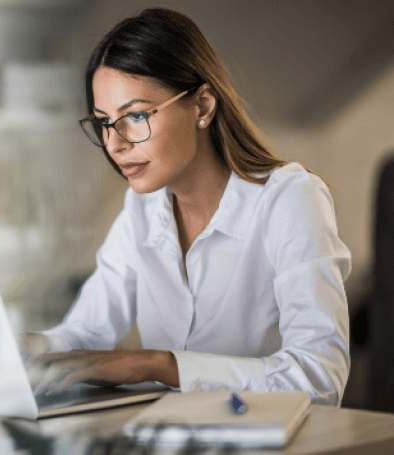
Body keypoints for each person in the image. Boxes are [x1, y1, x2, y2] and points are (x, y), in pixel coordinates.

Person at [22, 7, 350, 406]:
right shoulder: (142, 210)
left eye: (136, 116)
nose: (115, 143)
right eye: (104, 122)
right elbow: (87, 332)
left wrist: (160, 365)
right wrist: (27, 348)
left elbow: (320, 378)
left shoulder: (291, 199)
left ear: (203, 106)